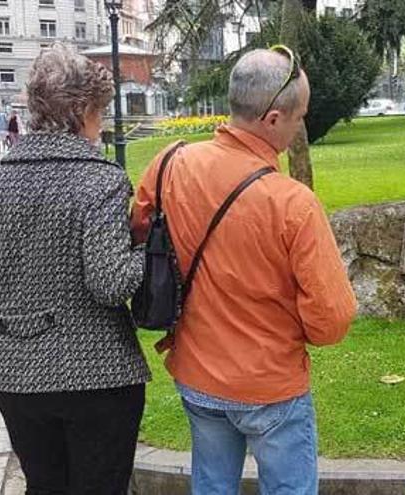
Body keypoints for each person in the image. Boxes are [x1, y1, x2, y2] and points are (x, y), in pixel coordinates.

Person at [130, 46, 357, 495]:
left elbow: (140, 232)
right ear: (272, 119)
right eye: (299, 117)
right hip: (271, 384)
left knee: (211, 487)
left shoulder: (169, 164)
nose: (300, 127)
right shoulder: (293, 204)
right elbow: (332, 321)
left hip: (197, 375)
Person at [0, 43, 149, 494]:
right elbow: (110, 284)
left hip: (14, 373)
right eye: (101, 111)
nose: (102, 123)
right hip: (96, 375)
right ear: (83, 109)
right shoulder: (100, 180)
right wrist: (148, 251)